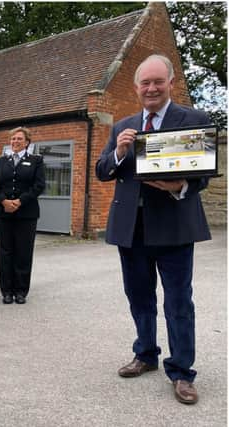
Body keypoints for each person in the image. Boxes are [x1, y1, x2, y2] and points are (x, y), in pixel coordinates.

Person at [95, 54, 211, 405]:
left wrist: (180, 187)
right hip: (132, 228)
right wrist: (118, 151)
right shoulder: (123, 126)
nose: (151, 88)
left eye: (158, 81)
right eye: (145, 82)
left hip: (174, 227)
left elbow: (203, 173)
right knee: (139, 296)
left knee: (178, 302)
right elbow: (102, 171)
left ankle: (181, 372)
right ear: (136, 88)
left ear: (170, 83)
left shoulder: (193, 119)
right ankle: (145, 354)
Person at [0, 127, 45, 305]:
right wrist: (4, 201)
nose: (15, 142)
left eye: (19, 139)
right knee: (5, 253)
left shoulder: (36, 161)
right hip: (4, 213)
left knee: (23, 253)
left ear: (27, 142)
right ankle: (6, 291)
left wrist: (20, 202)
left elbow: (38, 186)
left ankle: (21, 291)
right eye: (13, 139)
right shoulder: (1, 161)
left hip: (26, 215)